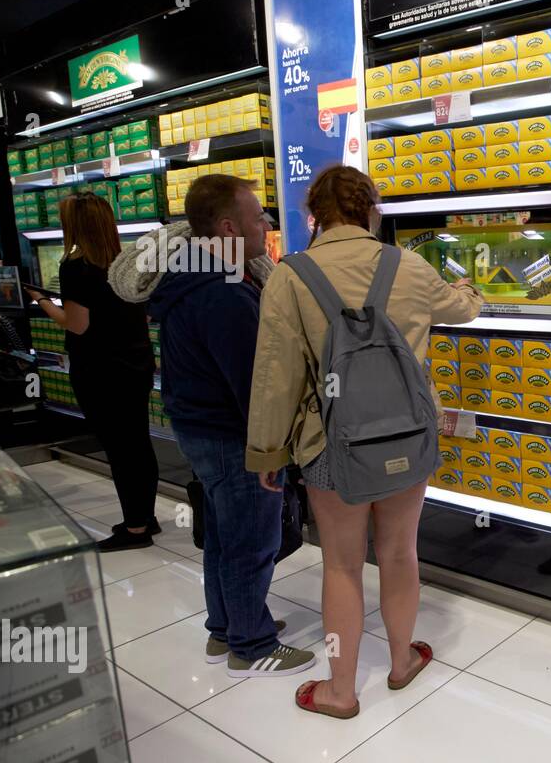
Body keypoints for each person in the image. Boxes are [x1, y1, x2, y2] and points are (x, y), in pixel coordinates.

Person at [246, 165, 481, 718]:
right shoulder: (409, 265)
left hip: (330, 445)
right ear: (370, 209)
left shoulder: (291, 275)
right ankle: (402, 662)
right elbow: (463, 308)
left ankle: (341, 689)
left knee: (341, 566)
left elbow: (275, 375)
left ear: (315, 217)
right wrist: (466, 286)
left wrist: (267, 451)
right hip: (408, 436)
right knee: (400, 552)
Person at [147, 175, 314, 678]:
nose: (266, 223)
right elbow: (254, 385)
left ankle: (225, 627)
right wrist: (273, 448)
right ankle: (252, 642)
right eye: (257, 215)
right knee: (250, 541)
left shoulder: (194, 280)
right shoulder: (223, 294)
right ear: (227, 226)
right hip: (232, 436)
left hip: (200, 430)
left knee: (223, 534)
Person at [27, 192, 159, 551]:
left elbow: (77, 324)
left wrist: (41, 301)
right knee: (136, 441)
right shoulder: (126, 261)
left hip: (100, 369)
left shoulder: (76, 266)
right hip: (136, 363)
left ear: (75, 225)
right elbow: (144, 314)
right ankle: (145, 516)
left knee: (119, 448)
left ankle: (135, 529)